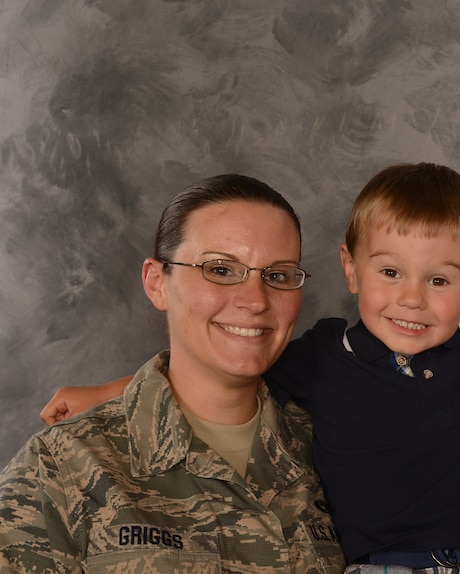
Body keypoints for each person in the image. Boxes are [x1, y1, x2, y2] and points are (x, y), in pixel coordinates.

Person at [40, 163, 460, 572]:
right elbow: (219, 376)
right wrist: (111, 391)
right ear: (350, 269)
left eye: (439, 281)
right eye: (390, 272)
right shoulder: (327, 355)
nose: (411, 299)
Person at [2, 174, 345, 572]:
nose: (255, 300)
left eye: (279, 275)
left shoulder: (334, 447)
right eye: (220, 269)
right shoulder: (63, 467)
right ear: (156, 283)